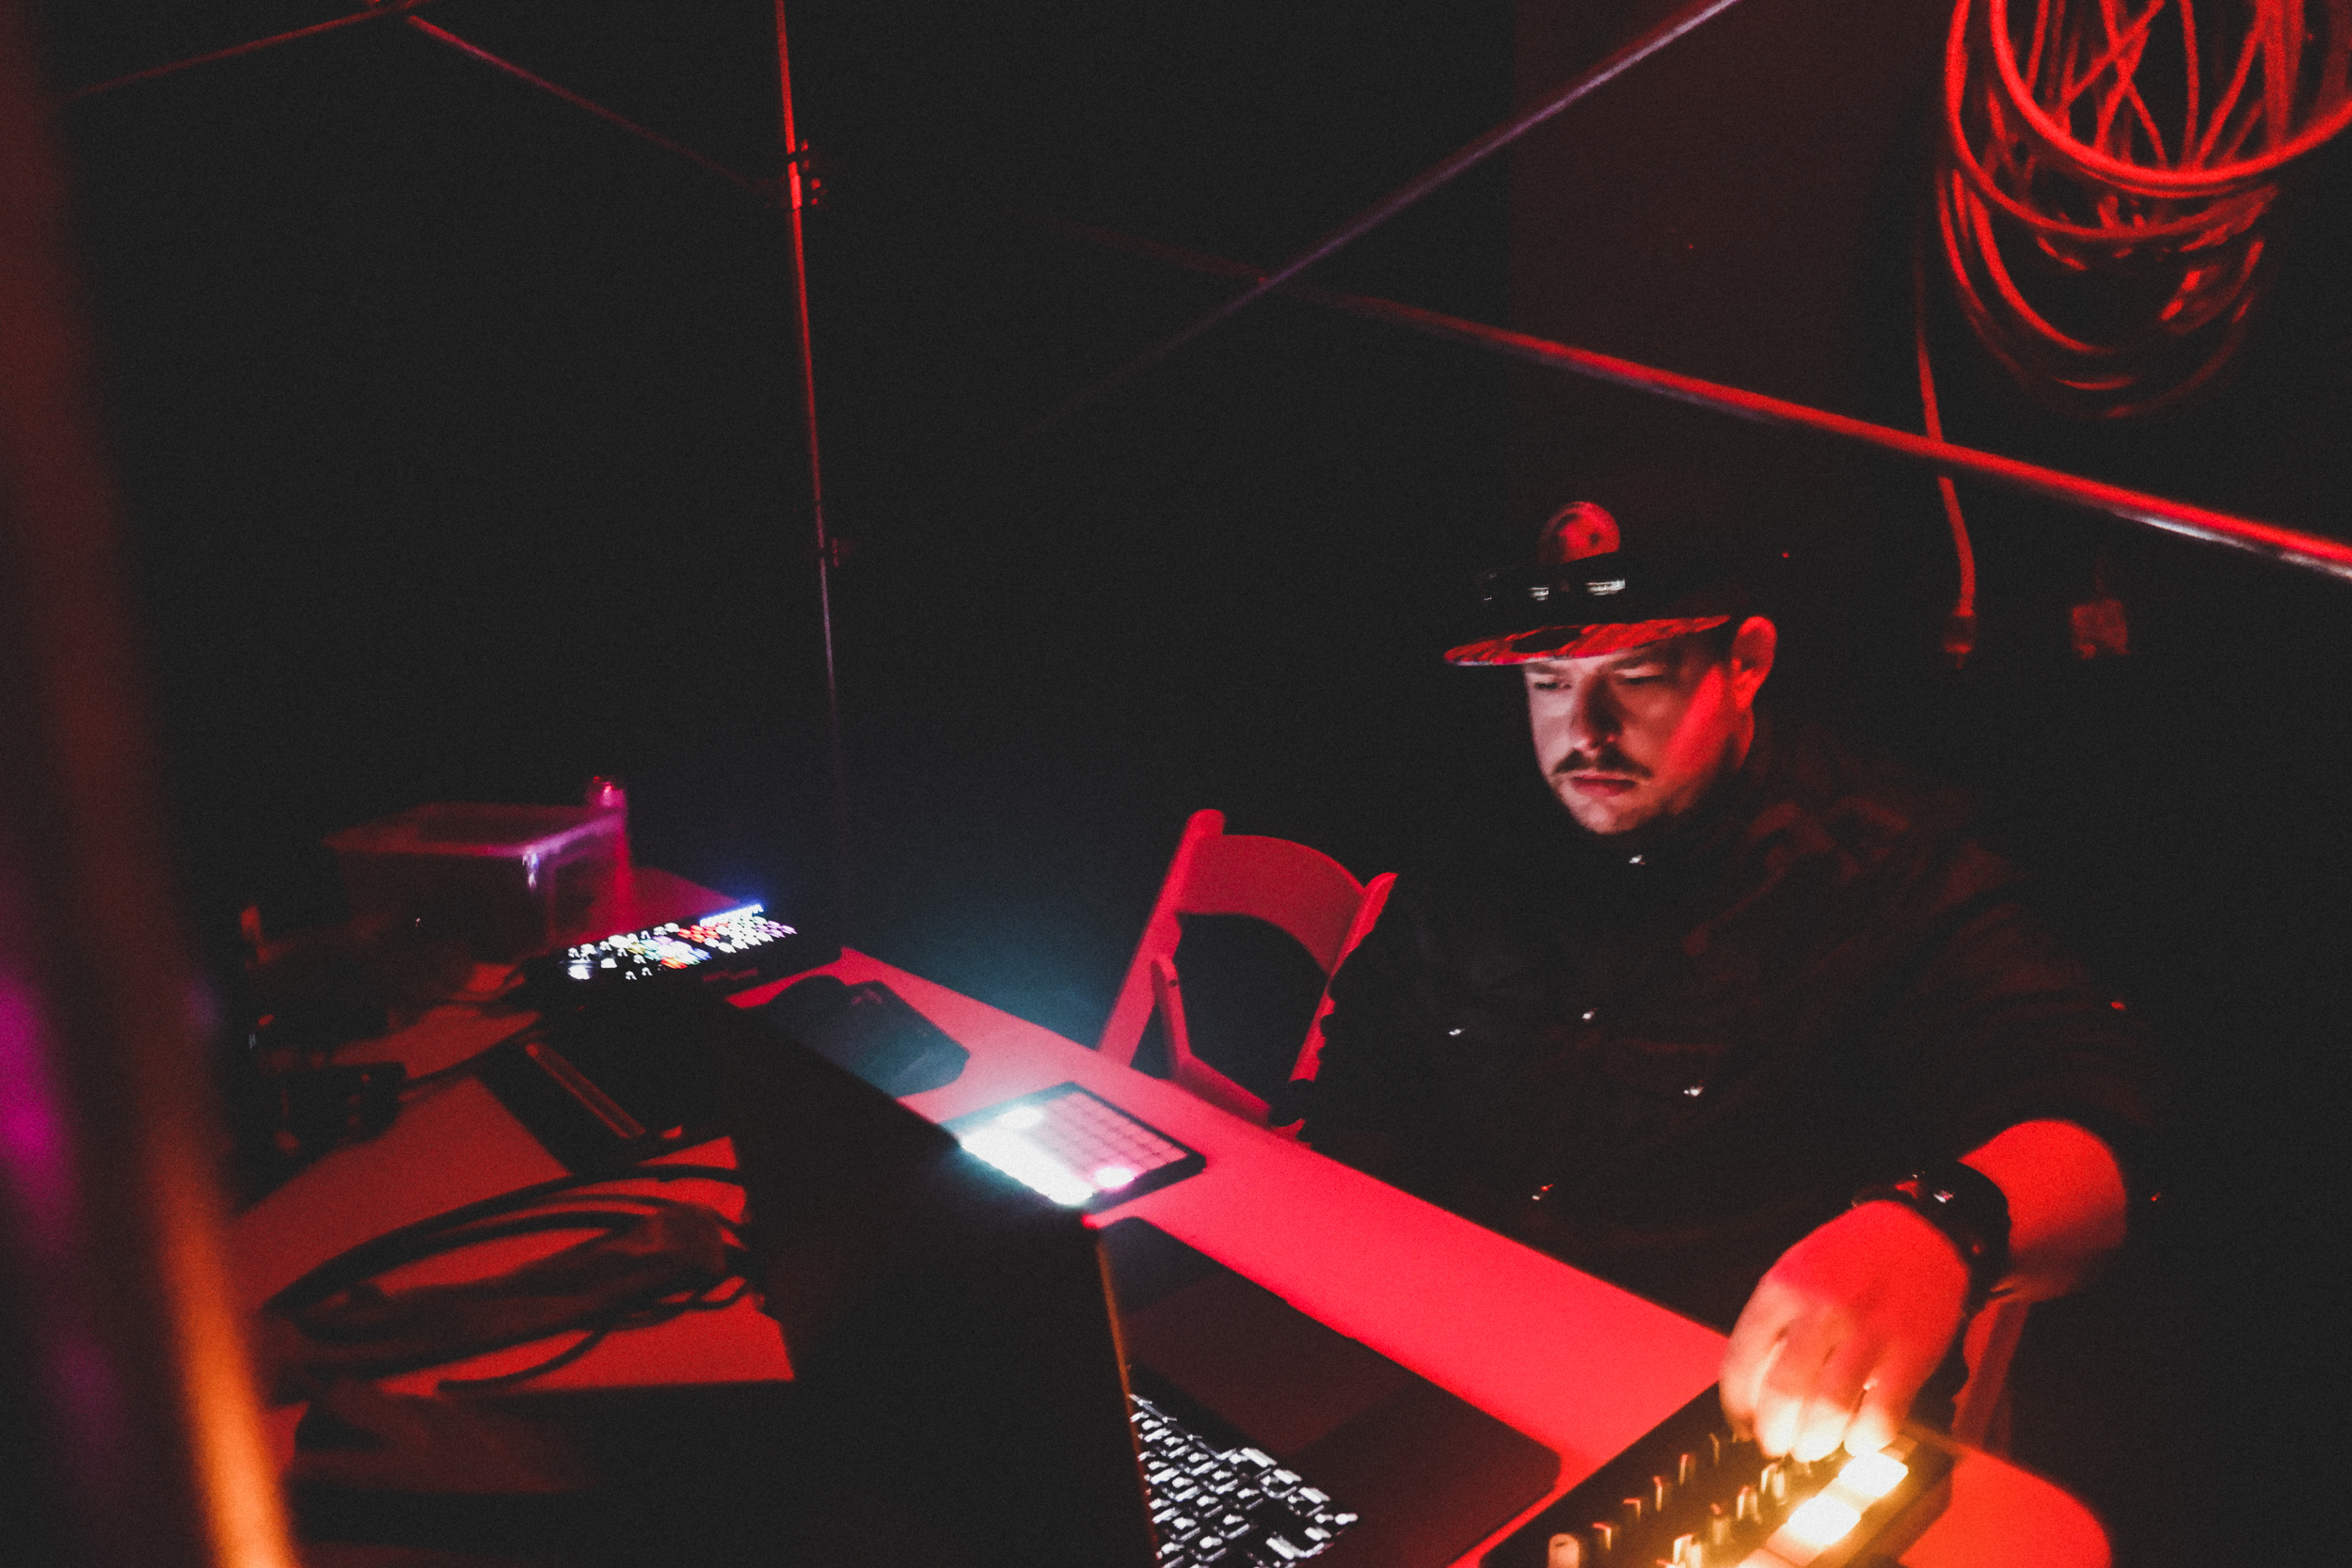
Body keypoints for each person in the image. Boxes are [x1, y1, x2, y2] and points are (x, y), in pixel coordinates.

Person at [1303, 493, 2153, 1464]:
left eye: (1637, 676)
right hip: (1439, 1356)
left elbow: (2096, 1108)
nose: (1584, 730)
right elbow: (1367, 1067)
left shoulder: (1877, 864)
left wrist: (1939, 1228)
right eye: (1547, 681)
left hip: (1724, 1416)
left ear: (1744, 662)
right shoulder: (1486, 831)